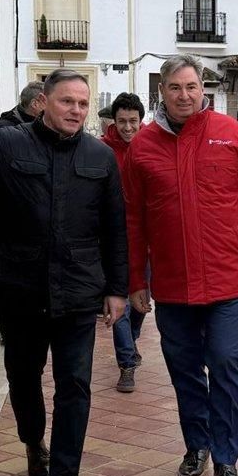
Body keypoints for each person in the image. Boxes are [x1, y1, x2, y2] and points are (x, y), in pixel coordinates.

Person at [0, 70, 127, 476]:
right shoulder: (8, 142)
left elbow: (114, 227)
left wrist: (117, 288)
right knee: (23, 377)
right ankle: (33, 442)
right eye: (66, 101)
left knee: (75, 383)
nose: (76, 110)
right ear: (44, 102)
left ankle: (64, 474)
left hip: (78, 290)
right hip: (21, 290)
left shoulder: (100, 157)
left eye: (82, 103)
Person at [123, 56, 238, 476]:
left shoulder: (230, 135)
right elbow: (132, 220)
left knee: (225, 360)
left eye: (192, 86)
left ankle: (227, 455)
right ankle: (197, 446)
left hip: (227, 279)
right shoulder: (142, 146)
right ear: (161, 91)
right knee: (184, 367)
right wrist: (135, 279)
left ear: (203, 89)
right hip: (173, 283)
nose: (184, 95)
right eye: (175, 88)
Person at [100, 92, 148, 393]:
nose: (128, 127)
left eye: (133, 121)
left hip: (146, 242)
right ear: (113, 122)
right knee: (119, 304)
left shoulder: (151, 147)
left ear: (141, 121)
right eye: (122, 122)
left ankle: (130, 341)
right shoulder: (100, 151)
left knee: (140, 304)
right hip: (112, 240)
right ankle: (127, 363)